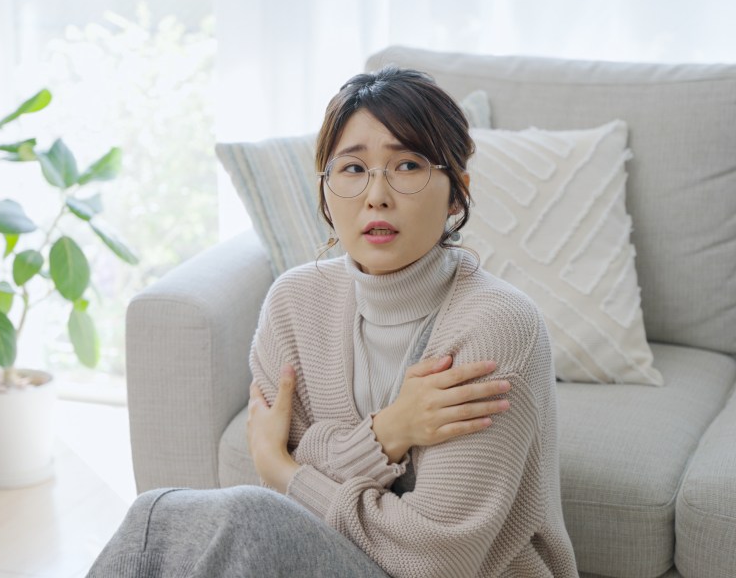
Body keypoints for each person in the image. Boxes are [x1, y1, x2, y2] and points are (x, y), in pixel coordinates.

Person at [87, 66, 578, 578]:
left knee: (243, 520)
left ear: (457, 193)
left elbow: (436, 558)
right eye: (352, 169)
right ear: (325, 190)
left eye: (407, 165)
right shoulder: (295, 303)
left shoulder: (497, 324)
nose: (376, 195)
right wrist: (390, 432)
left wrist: (285, 471)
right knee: (155, 516)